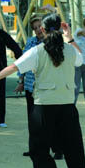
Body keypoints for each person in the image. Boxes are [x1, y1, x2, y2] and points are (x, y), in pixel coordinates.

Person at [0, 13, 85, 168]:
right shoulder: (71, 50)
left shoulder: (37, 51)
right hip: (66, 106)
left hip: (44, 106)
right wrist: (70, 37)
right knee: (74, 147)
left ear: (42, 30)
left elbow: (14, 67)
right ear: (62, 28)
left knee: (38, 147)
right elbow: (81, 59)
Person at [15, 15, 63, 159]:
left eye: (39, 27)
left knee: (51, 120)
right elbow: (22, 62)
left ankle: (57, 149)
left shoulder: (55, 43)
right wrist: (21, 81)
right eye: (34, 28)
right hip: (31, 86)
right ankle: (34, 147)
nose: (37, 30)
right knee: (33, 119)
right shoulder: (30, 42)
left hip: (48, 87)